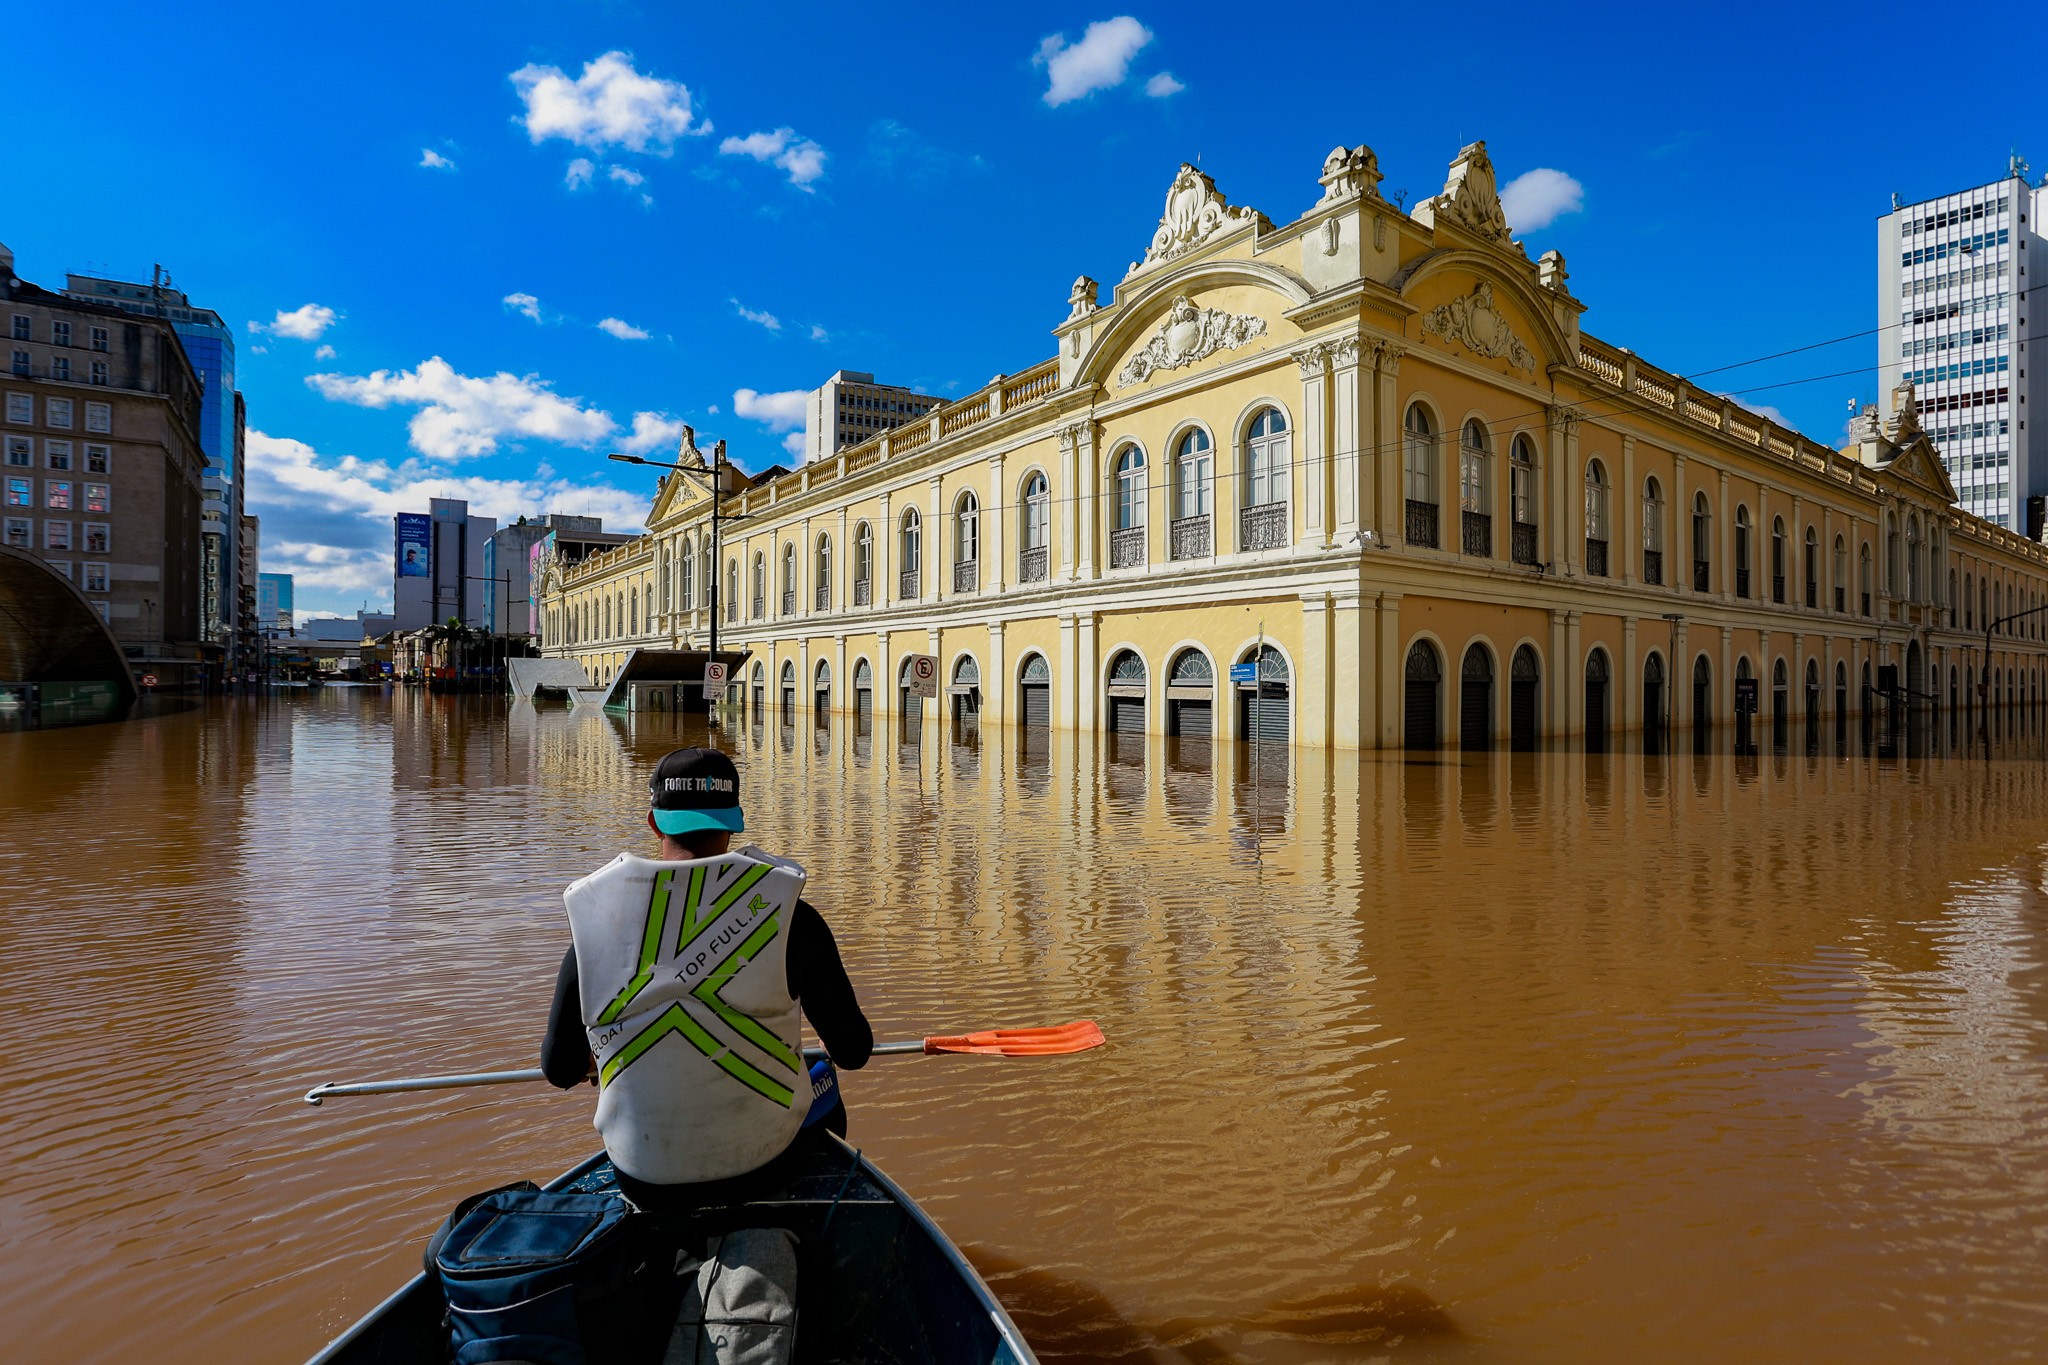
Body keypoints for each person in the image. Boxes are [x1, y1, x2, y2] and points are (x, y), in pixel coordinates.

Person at [541, 746, 871, 1205]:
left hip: (642, 1178)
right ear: (735, 822)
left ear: (654, 822)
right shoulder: (792, 914)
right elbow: (853, 1051)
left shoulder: (596, 923)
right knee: (825, 1079)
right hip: (765, 1169)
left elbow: (557, 1068)